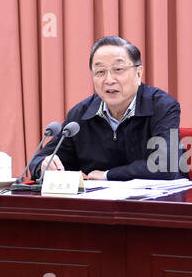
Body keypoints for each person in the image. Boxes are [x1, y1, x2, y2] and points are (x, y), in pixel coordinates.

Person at [26, 35, 183, 180]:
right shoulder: (81, 115)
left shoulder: (163, 106)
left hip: (156, 204)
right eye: (100, 72)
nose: (109, 80)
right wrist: (44, 166)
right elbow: (39, 161)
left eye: (118, 70)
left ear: (138, 73)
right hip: (98, 207)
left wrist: (108, 175)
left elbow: (165, 165)